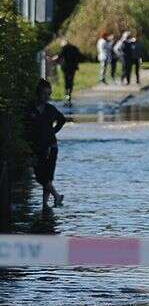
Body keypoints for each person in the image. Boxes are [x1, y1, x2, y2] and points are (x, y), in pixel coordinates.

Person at [28, 79, 66, 209]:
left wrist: (53, 131)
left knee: (47, 176)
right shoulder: (30, 109)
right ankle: (56, 196)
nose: (47, 97)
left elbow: (62, 119)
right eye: (44, 94)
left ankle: (45, 203)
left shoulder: (50, 109)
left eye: (49, 94)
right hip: (37, 147)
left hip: (51, 147)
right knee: (40, 176)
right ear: (38, 94)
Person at [51, 38, 83, 103]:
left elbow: (59, 56)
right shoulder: (75, 48)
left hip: (65, 68)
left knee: (66, 83)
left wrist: (52, 59)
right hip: (73, 68)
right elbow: (80, 56)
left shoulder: (64, 48)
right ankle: (69, 97)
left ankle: (67, 97)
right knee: (70, 82)